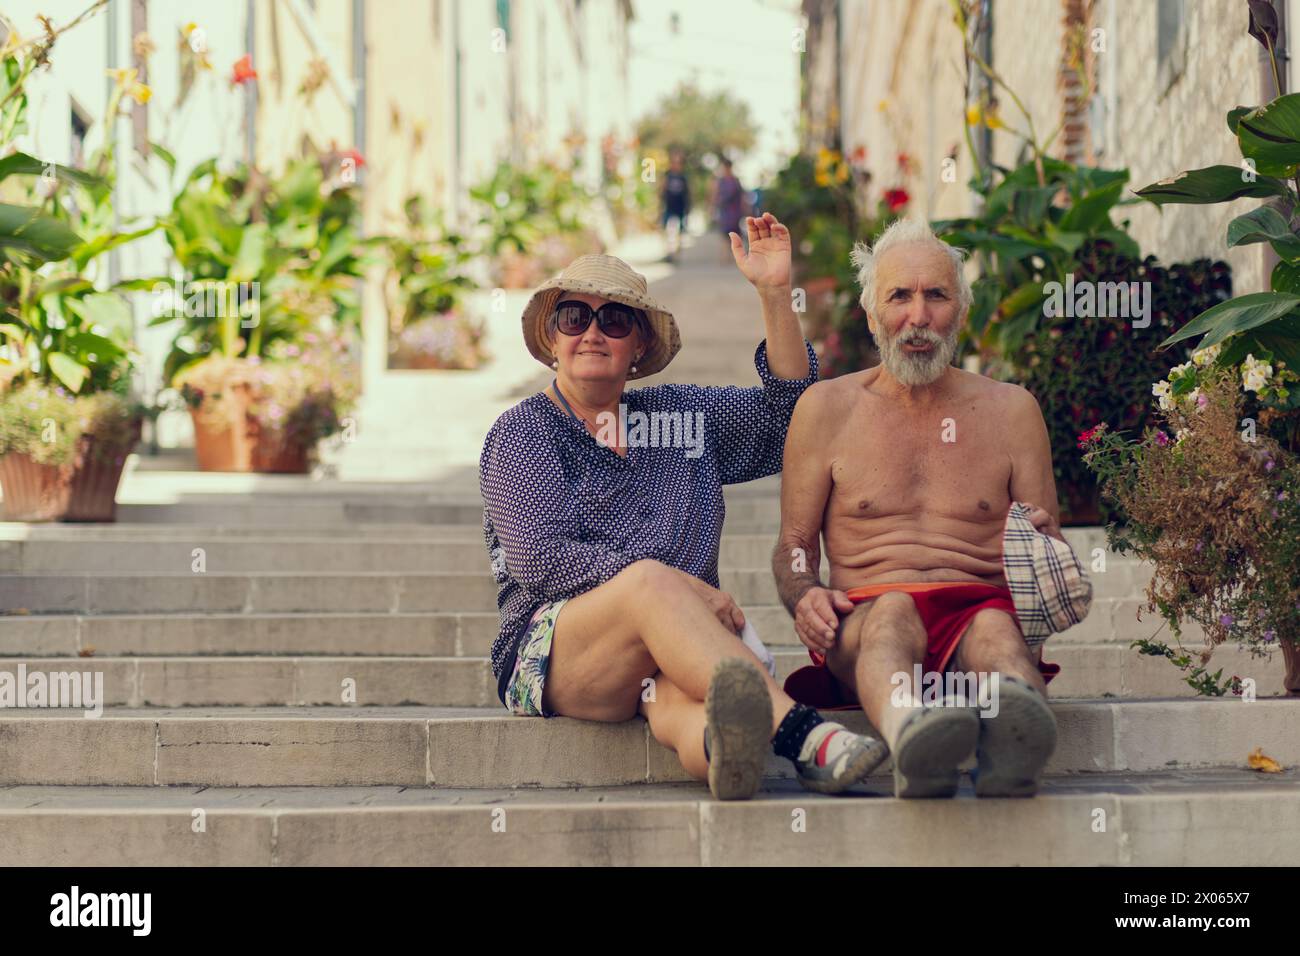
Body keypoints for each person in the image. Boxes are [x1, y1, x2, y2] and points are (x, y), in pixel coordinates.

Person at [479, 213, 887, 801]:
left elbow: (792, 419)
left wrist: (775, 294)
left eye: (615, 320)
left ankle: (727, 753)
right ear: (551, 337)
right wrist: (685, 590)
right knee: (647, 584)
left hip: (671, 654)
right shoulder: (524, 433)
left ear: (639, 343)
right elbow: (542, 559)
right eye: (575, 317)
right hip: (558, 657)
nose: (593, 332)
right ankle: (807, 735)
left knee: (682, 707)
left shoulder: (682, 419)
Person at [773, 218, 1067, 799]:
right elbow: (793, 544)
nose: (918, 316)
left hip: (979, 603)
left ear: (961, 311)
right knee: (894, 615)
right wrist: (805, 592)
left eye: (936, 295)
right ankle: (918, 736)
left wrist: (1044, 551)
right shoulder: (825, 409)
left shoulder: (1013, 411)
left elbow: (1048, 542)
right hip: (866, 615)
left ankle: (1013, 742)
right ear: (871, 313)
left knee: (993, 632)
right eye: (899, 296)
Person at [711, 158, 747, 263]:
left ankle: (732, 255)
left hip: (735, 212)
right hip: (725, 211)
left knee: (735, 233)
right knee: (724, 233)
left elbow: (742, 196)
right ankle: (725, 256)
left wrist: (745, 209)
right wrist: (712, 207)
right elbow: (715, 195)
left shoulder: (736, 181)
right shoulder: (720, 181)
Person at [660, 150, 691, 262]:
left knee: (680, 232)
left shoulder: (683, 177)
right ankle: (669, 253)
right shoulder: (667, 175)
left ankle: (677, 254)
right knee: (668, 231)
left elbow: (688, 192)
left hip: (680, 207)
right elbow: (662, 189)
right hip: (669, 206)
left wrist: (688, 207)